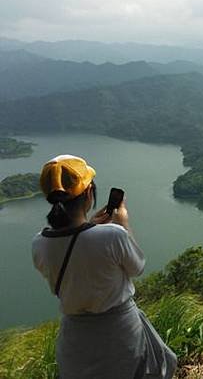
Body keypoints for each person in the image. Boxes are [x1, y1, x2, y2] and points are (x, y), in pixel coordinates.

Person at [32, 154, 177, 379]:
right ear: (89, 193)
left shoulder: (39, 243)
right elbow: (137, 267)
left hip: (74, 343)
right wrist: (124, 224)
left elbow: (73, 263)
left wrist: (90, 226)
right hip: (120, 335)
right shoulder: (112, 235)